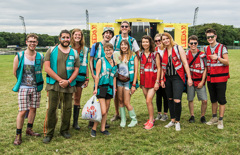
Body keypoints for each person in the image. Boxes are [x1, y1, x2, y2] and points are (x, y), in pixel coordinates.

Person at [43, 30, 80, 143]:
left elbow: (76, 69)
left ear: (70, 39)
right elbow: (47, 68)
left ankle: (64, 130)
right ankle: (49, 133)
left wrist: (68, 81)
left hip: (69, 85)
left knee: (67, 108)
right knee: (52, 109)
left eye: (68, 37)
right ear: (59, 38)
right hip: (54, 84)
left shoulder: (74, 52)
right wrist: (60, 80)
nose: (65, 39)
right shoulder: (51, 50)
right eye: (63, 37)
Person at [12, 33, 44, 145]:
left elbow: (40, 70)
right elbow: (15, 72)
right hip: (24, 87)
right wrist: (24, 83)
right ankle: (18, 135)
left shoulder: (40, 56)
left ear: (37, 43)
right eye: (30, 41)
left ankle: (29, 129)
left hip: (36, 87)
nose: (32, 43)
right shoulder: (20, 56)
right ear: (26, 42)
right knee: (22, 111)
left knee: (33, 109)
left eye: (34, 41)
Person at [160, 32, 193, 131]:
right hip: (167, 78)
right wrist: (162, 79)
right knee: (169, 99)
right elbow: (163, 68)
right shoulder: (164, 51)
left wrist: (189, 78)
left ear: (170, 38)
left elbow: (185, 64)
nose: (166, 40)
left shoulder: (178, 48)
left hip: (177, 77)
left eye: (167, 38)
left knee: (177, 100)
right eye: (163, 39)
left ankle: (178, 122)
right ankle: (173, 120)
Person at [110, 20, 140, 122]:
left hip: (128, 71)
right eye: (122, 26)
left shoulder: (132, 40)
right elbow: (109, 49)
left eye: (126, 26)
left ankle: (128, 115)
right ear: (120, 28)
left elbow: (137, 52)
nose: (124, 28)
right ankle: (117, 113)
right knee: (117, 95)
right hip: (117, 69)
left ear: (129, 28)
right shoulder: (116, 38)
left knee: (125, 98)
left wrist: (134, 63)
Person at [89, 27, 114, 128]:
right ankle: (92, 120)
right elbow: (90, 60)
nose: (108, 35)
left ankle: (104, 120)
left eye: (110, 33)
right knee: (98, 99)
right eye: (106, 33)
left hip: (107, 79)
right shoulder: (96, 45)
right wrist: (92, 73)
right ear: (103, 34)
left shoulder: (111, 47)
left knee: (106, 100)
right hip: (97, 76)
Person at [204, 29, 229, 129]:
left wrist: (217, 58)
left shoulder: (222, 47)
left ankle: (220, 120)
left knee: (221, 99)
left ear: (216, 36)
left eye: (212, 36)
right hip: (210, 78)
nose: (210, 38)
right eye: (208, 37)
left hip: (221, 78)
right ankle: (214, 117)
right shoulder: (206, 48)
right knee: (213, 99)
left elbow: (227, 62)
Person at [91, 43, 117, 137]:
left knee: (106, 109)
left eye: (110, 50)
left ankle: (103, 129)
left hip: (109, 88)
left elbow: (114, 76)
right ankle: (93, 128)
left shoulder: (114, 62)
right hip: (101, 87)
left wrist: (115, 88)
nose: (108, 52)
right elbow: (97, 75)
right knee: (103, 111)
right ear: (104, 51)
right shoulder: (100, 61)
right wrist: (95, 88)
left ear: (112, 51)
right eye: (106, 50)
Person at [114, 40, 139, 128]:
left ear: (128, 46)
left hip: (128, 81)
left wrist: (134, 85)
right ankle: (123, 119)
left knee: (126, 102)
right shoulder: (118, 55)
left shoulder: (133, 56)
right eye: (122, 45)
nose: (123, 46)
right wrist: (117, 61)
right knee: (120, 100)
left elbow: (136, 71)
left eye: (125, 45)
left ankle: (134, 119)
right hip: (119, 81)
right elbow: (115, 67)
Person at [139, 35, 161, 130]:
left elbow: (159, 68)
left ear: (150, 43)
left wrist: (157, 82)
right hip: (144, 81)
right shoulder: (140, 54)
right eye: (143, 42)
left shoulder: (155, 54)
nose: (145, 43)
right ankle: (150, 118)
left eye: (146, 42)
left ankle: (151, 121)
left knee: (148, 100)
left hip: (153, 81)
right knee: (148, 102)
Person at [70, 28, 90, 130]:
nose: (77, 36)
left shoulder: (85, 49)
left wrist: (87, 78)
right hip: (69, 77)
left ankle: (75, 122)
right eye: (76, 35)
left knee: (77, 99)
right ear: (72, 36)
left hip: (80, 77)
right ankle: (66, 121)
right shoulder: (68, 47)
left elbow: (85, 64)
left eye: (79, 35)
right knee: (68, 99)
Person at [186, 35, 207, 123]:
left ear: (197, 43)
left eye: (195, 43)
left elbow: (206, 68)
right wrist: (189, 79)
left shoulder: (202, 55)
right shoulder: (186, 54)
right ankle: (192, 115)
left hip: (200, 80)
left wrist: (202, 81)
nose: (193, 45)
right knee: (190, 99)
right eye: (191, 43)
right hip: (190, 80)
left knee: (204, 100)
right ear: (188, 44)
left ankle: (202, 116)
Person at [154, 33, 168, 121]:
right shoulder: (155, 50)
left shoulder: (167, 49)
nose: (158, 42)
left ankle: (165, 114)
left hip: (167, 75)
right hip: (158, 75)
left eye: (159, 40)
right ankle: (159, 113)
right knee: (158, 95)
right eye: (156, 41)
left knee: (166, 95)